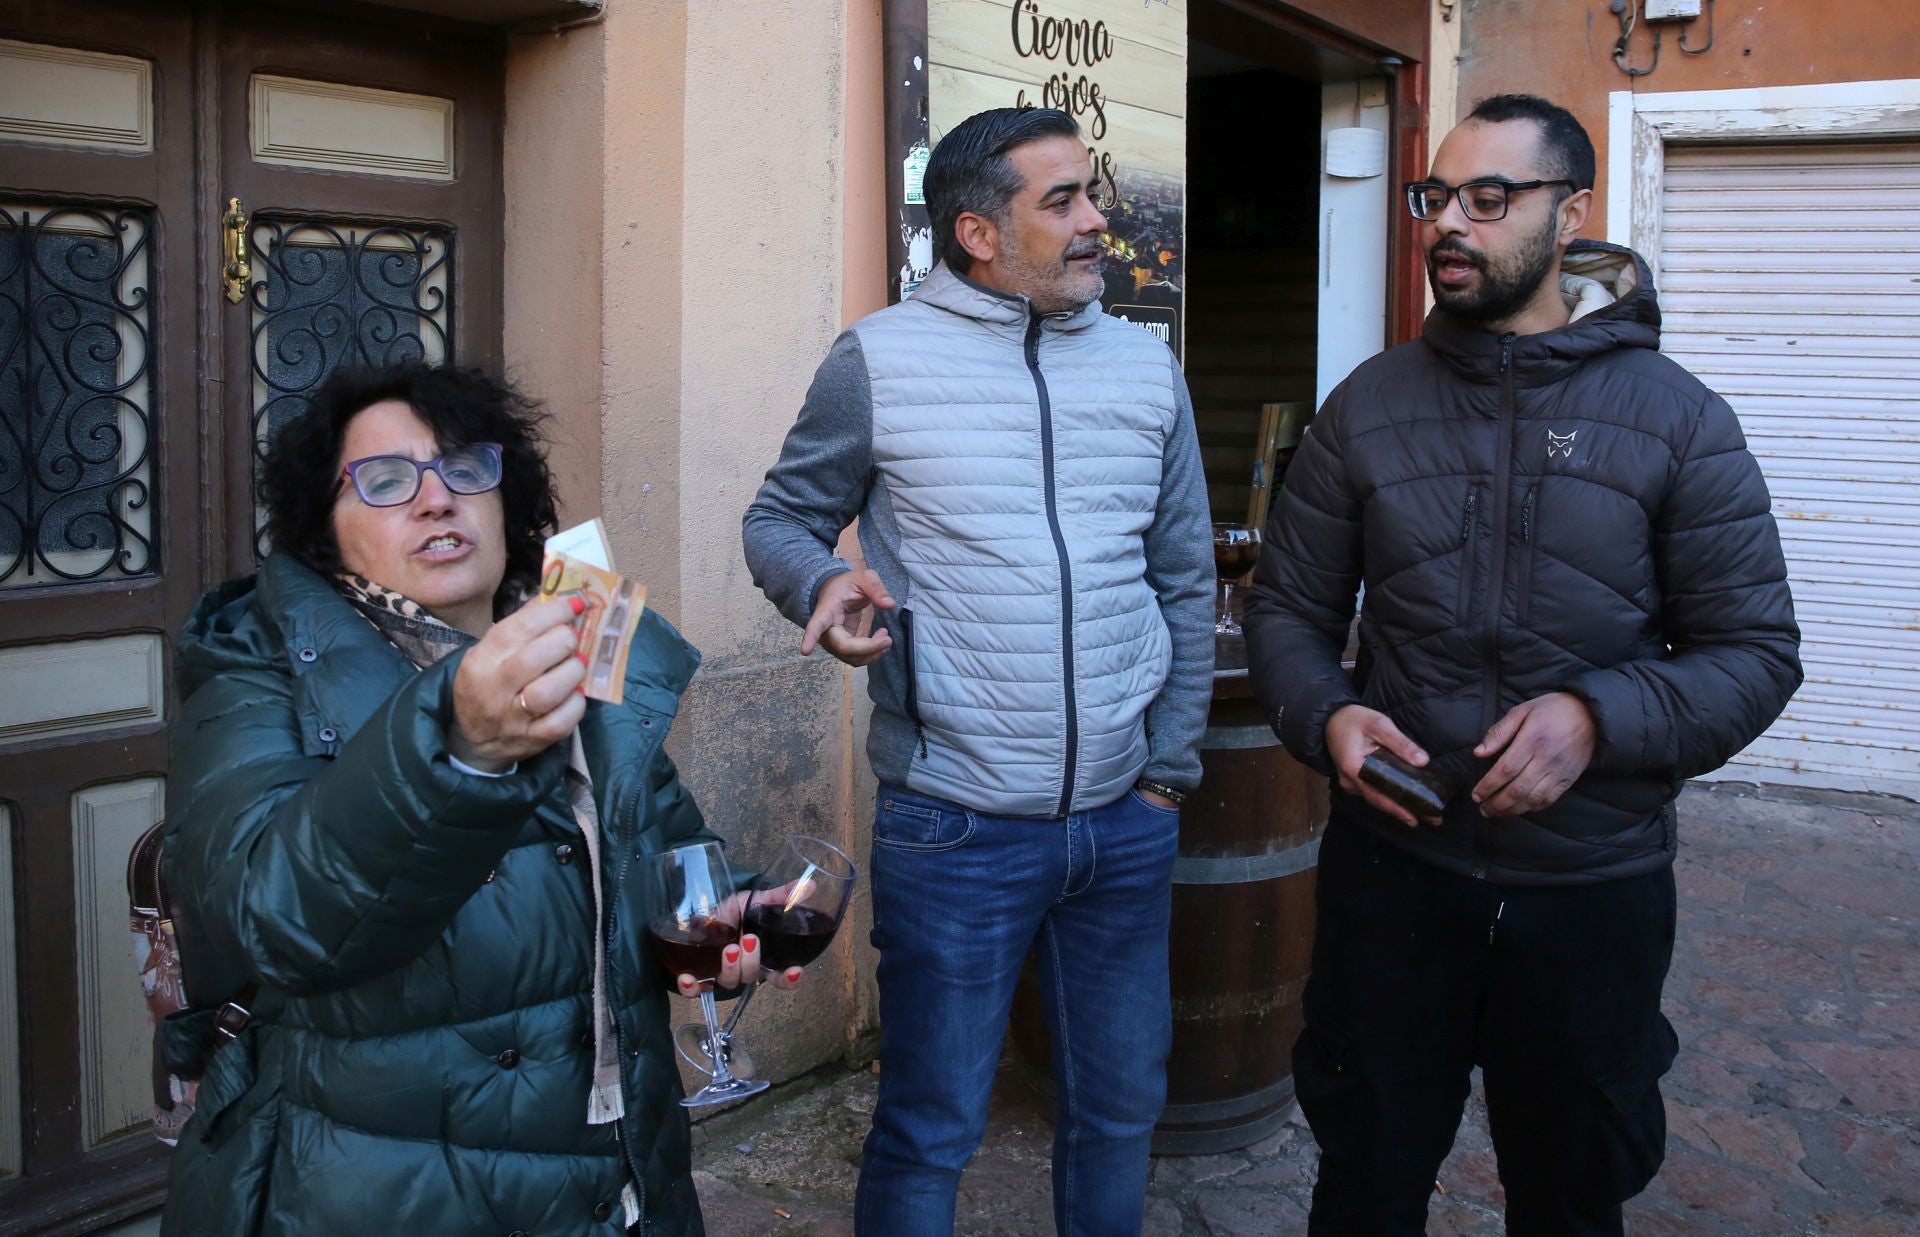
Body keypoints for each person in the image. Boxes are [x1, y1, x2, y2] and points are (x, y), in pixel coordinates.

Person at [1244, 93, 1802, 1236]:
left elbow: (1754, 653)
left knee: (1572, 1190)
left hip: (1591, 892)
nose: (1450, 221)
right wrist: (1329, 717)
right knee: (1366, 1180)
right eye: (1434, 196)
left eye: (1489, 198)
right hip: (1395, 879)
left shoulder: (1676, 420)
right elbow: (1288, 613)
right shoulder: (1368, 409)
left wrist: (1599, 718)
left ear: (1572, 213)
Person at [161, 363, 798, 1237]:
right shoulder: (255, 672)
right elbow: (271, 918)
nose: (436, 500)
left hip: (622, 1178)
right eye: (386, 481)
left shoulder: (580, 639)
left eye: (466, 470)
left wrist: (726, 921)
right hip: (384, 1185)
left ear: (510, 499)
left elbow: (664, 865)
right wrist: (453, 747)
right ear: (324, 529)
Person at [742, 107, 1213, 1236]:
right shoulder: (880, 359)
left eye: (1091, 191)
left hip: (1124, 818)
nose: (1099, 218)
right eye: (1063, 200)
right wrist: (821, 586)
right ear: (978, 231)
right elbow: (781, 519)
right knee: (930, 1124)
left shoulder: (1148, 371)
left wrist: (1168, 772)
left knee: (1119, 1109)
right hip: (953, 825)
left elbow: (1185, 576)